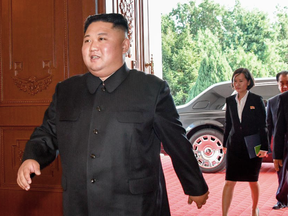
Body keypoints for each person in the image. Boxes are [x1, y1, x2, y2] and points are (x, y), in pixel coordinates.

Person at [16, 13, 209, 216]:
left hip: (135, 205)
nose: (92, 46)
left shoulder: (151, 89)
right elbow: (47, 133)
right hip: (80, 205)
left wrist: (195, 185)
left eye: (101, 38)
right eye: (87, 40)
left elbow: (176, 141)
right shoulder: (67, 90)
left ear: (124, 45)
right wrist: (33, 157)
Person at [222, 68, 268, 216]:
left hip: (253, 145)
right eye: (235, 81)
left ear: (248, 82)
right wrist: (224, 143)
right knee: (229, 181)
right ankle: (224, 214)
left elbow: (263, 126)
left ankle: (254, 208)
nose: (237, 84)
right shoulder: (230, 101)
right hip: (234, 145)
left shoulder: (256, 100)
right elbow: (228, 124)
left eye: (241, 81)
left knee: (253, 180)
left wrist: (264, 147)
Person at [266, 71, 288, 209]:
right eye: (282, 83)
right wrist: (268, 149)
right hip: (281, 144)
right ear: (278, 84)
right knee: (282, 174)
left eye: (287, 83)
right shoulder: (273, 102)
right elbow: (270, 127)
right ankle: (282, 200)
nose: (285, 86)